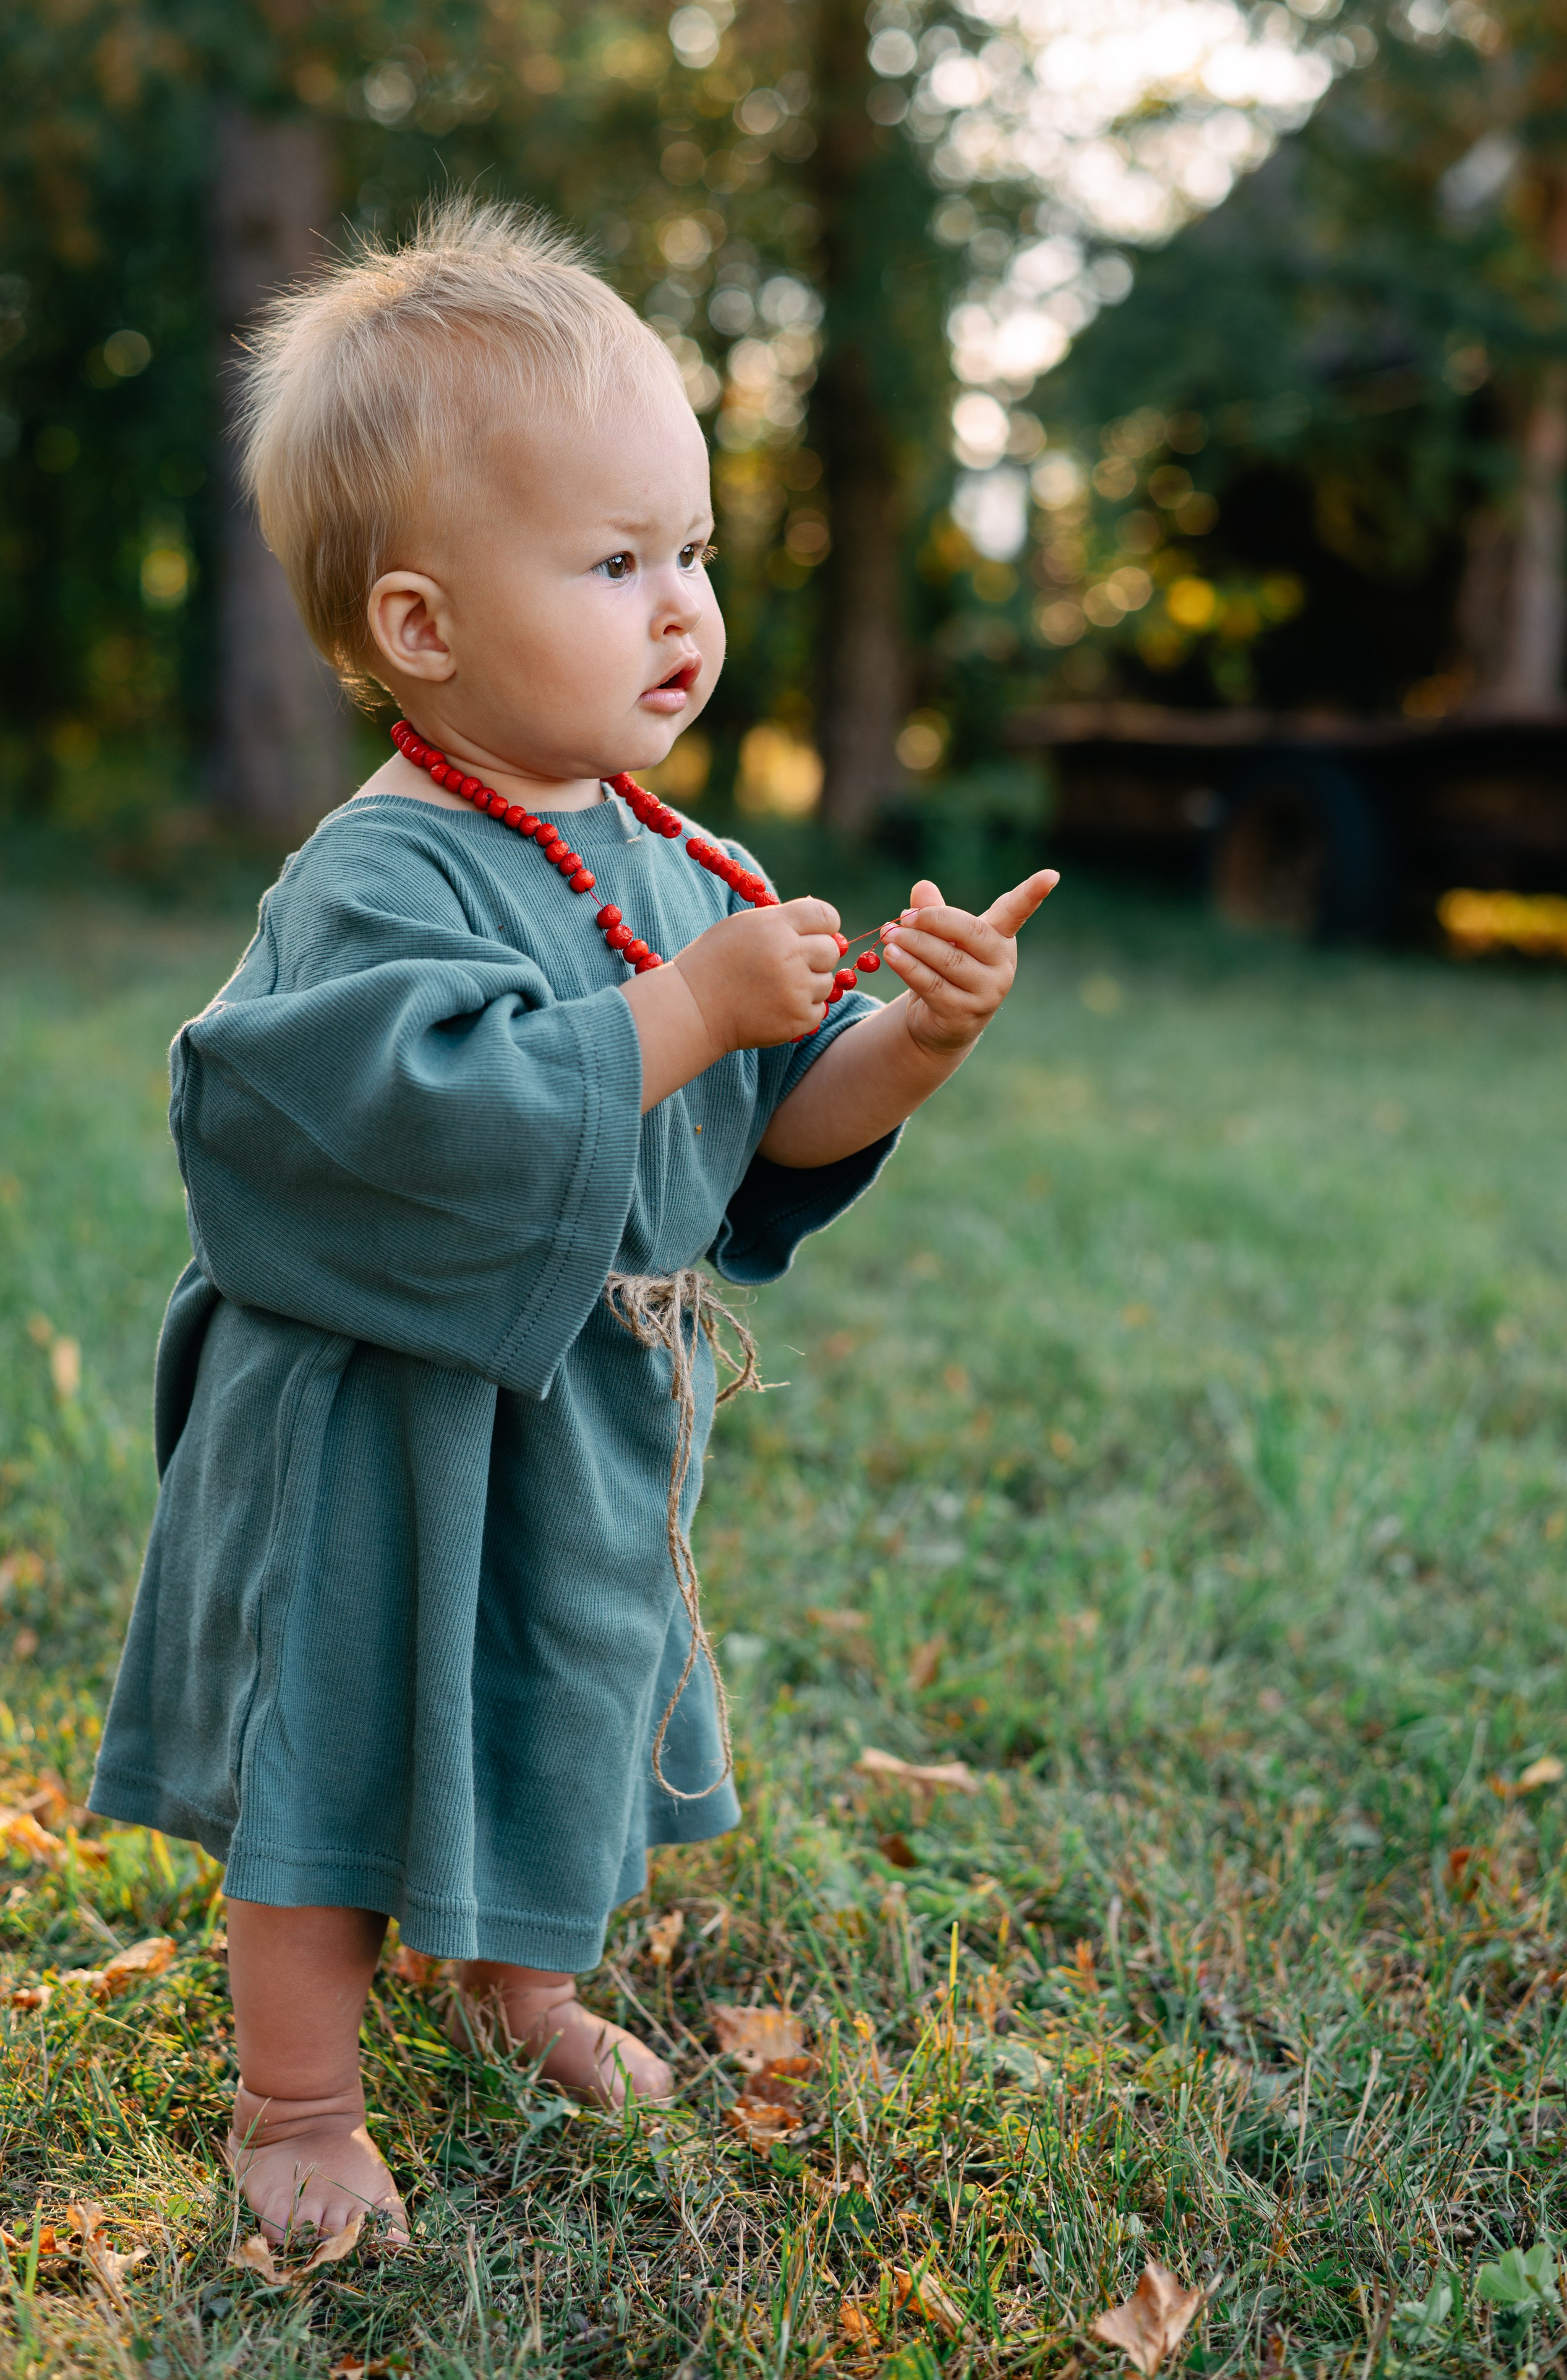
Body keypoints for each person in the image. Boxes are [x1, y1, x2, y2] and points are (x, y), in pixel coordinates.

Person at [88, 197, 1057, 2247]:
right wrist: (682, 1004)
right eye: (615, 565)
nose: (682, 608)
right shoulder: (380, 875)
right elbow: (382, 1117)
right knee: (340, 1726)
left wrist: (910, 1043)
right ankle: (296, 2097)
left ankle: (517, 1966)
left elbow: (766, 1127)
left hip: (570, 1417)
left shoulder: (668, 857)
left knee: (555, 1685)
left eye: (692, 553)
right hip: (375, 1420)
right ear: (427, 627)